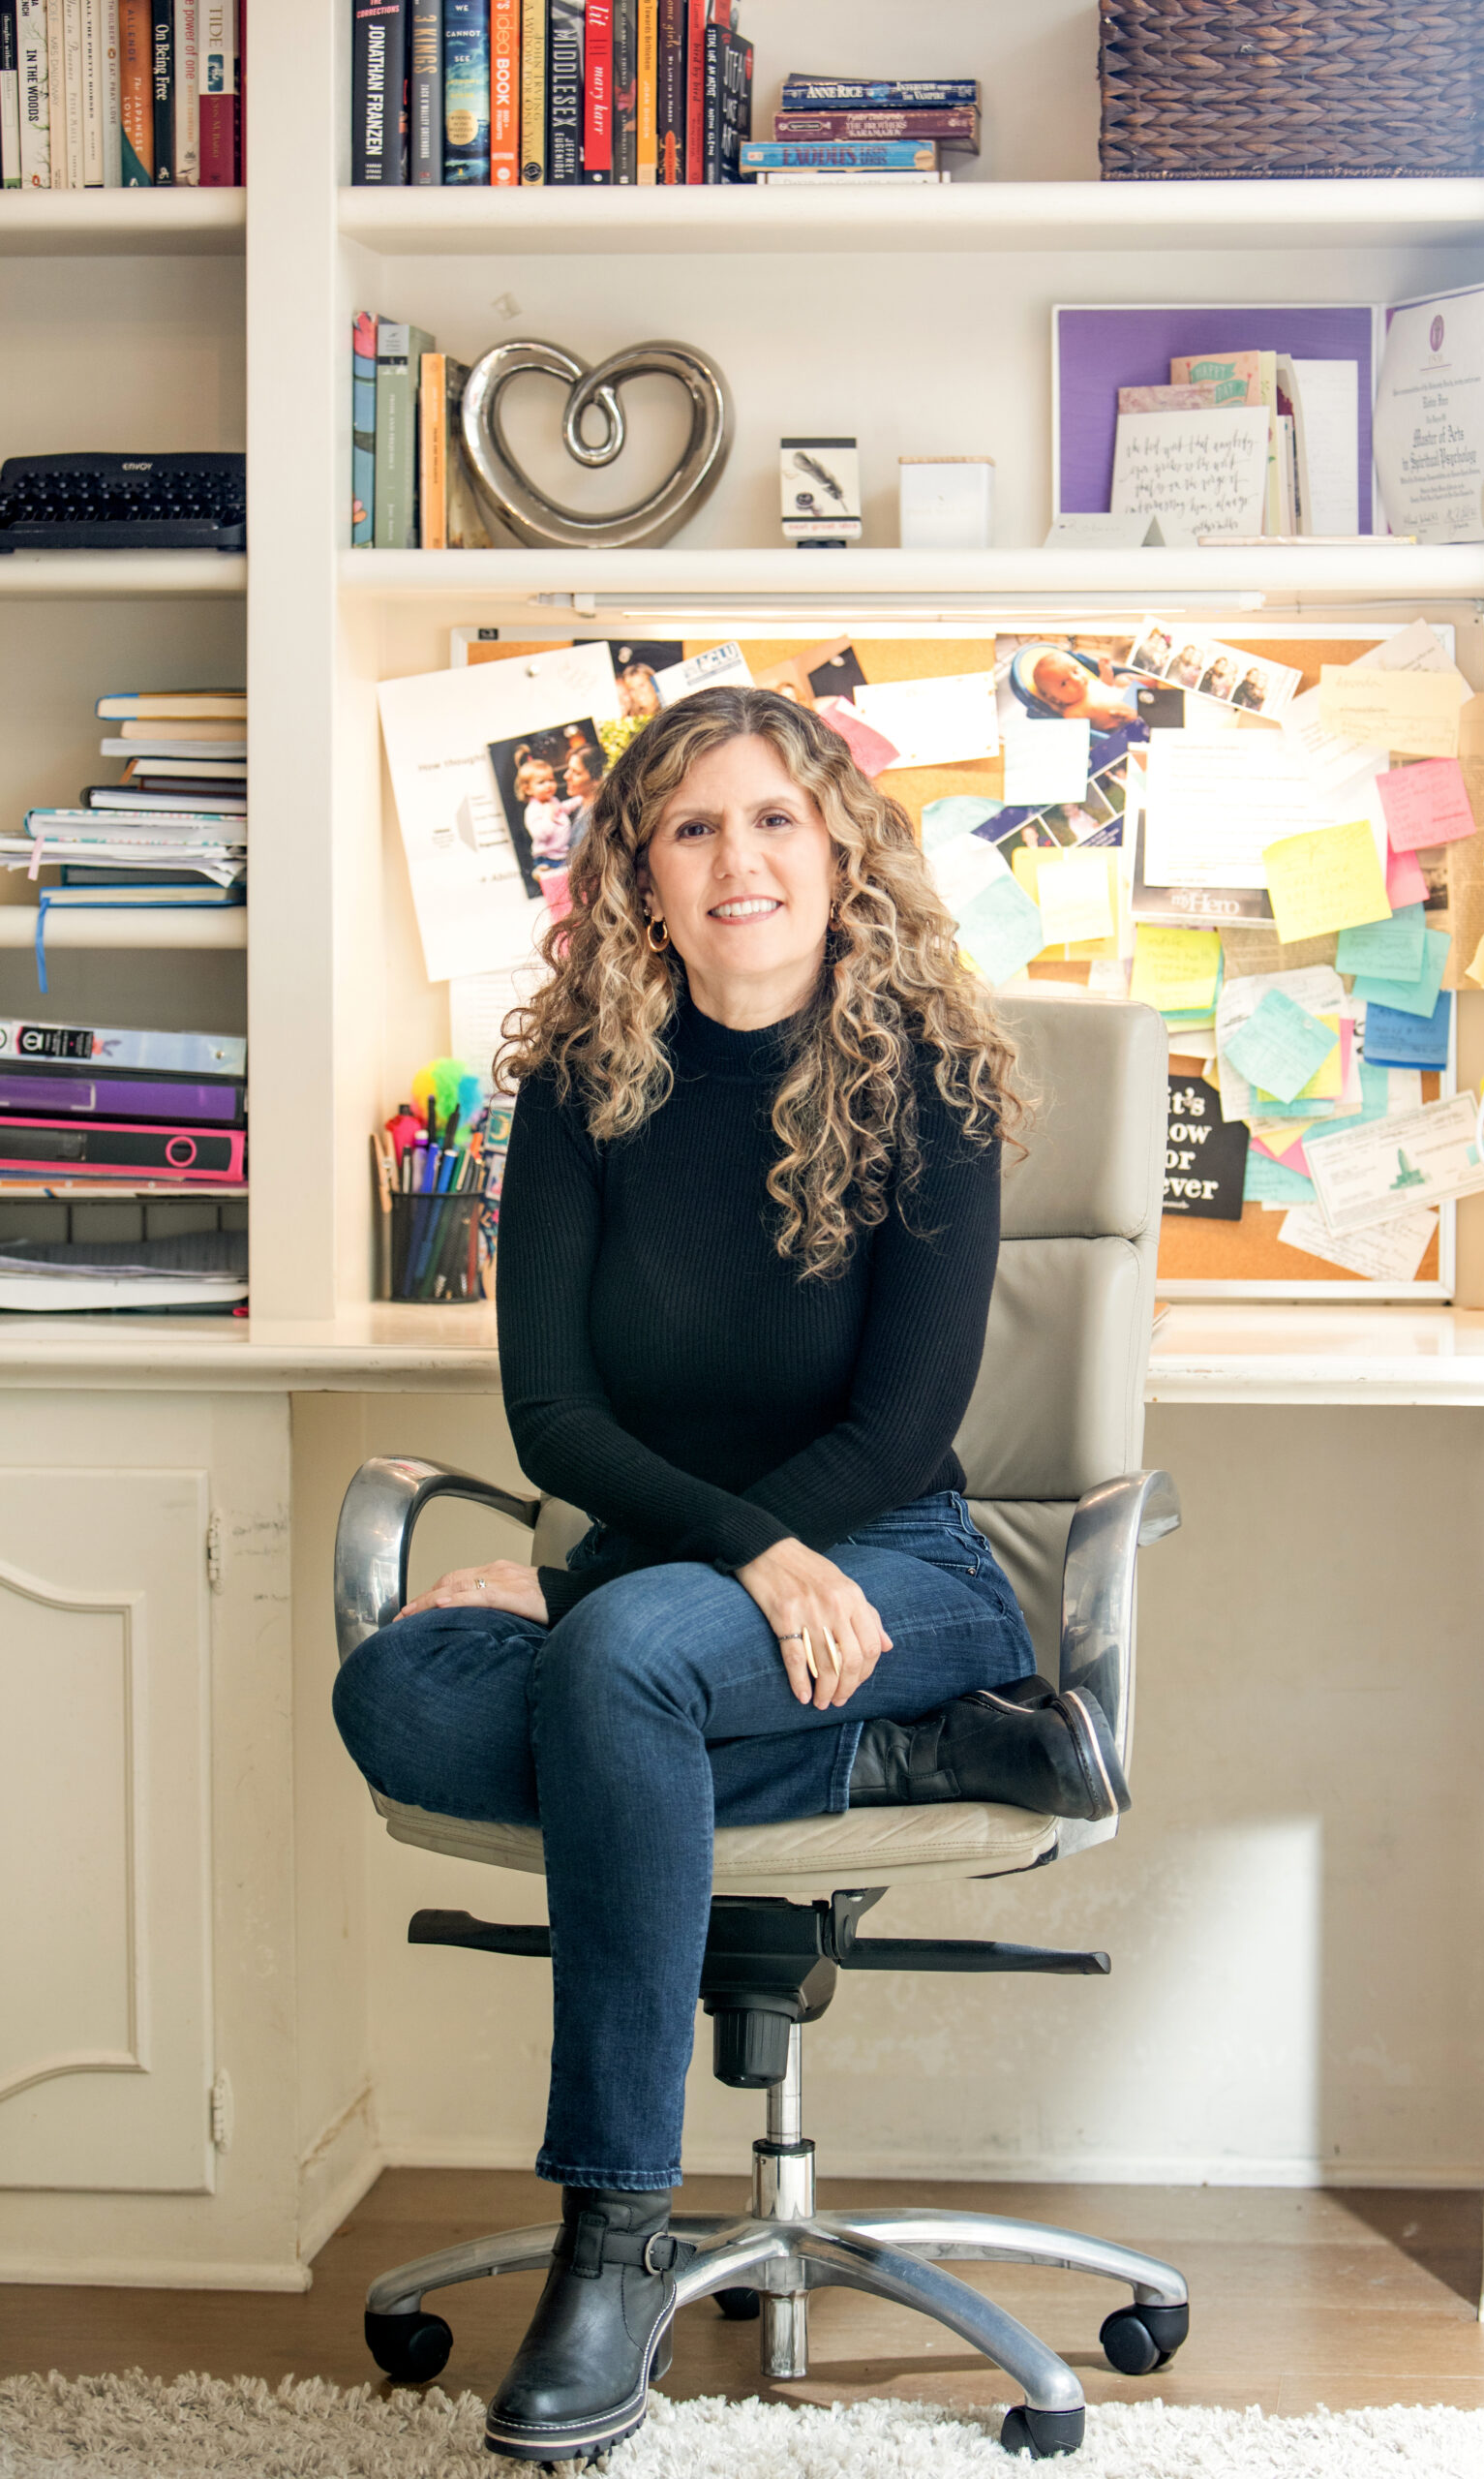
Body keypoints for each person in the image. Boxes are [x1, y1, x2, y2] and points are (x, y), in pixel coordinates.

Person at [332, 688, 1125, 2464]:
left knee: (615, 1670)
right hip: (659, 1595)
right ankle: (918, 1753)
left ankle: (608, 2239)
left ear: (838, 847)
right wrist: (654, 1577)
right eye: (691, 827)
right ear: (639, 874)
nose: (737, 860)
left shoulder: (930, 1077)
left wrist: (737, 1568)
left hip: (899, 1571)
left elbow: (905, 1425)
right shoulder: (577, 1086)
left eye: (772, 819)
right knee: (390, 1683)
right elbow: (552, 1414)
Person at [1008, 643, 1137, 730]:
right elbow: (1087, 736)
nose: (1076, 680)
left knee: (1121, 679)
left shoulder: (1089, 684)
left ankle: (1156, 682)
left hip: (1135, 696)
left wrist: (1105, 673)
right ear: (1054, 698)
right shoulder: (1074, 713)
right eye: (1064, 683)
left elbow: (1107, 686)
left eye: (1075, 671)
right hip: (1129, 719)